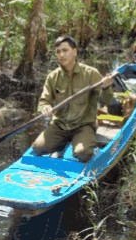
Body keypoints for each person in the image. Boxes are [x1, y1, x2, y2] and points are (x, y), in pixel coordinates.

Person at [31, 35, 114, 163]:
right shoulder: (53, 77)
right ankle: (61, 144)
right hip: (60, 125)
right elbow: (44, 100)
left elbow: (106, 102)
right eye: (58, 52)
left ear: (74, 52)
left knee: (83, 154)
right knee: (37, 148)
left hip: (83, 125)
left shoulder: (91, 73)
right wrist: (45, 107)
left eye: (65, 50)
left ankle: (82, 141)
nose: (61, 55)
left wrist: (106, 88)